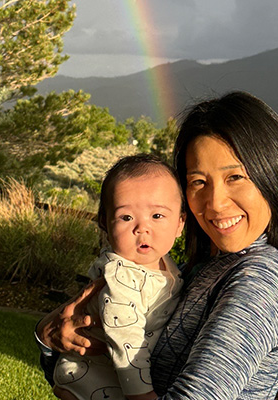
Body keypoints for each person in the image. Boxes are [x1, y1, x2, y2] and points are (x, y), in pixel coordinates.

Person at [36, 91, 278, 399]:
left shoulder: (263, 280)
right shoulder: (192, 272)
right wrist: (52, 338)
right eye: (198, 182)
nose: (215, 203)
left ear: (274, 176)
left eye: (235, 177)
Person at [50, 154, 186, 400]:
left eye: (157, 216)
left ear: (179, 223)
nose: (142, 228)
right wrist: (142, 396)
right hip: (93, 376)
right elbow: (126, 341)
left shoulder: (166, 265)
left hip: (114, 375)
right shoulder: (121, 278)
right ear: (105, 222)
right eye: (126, 217)